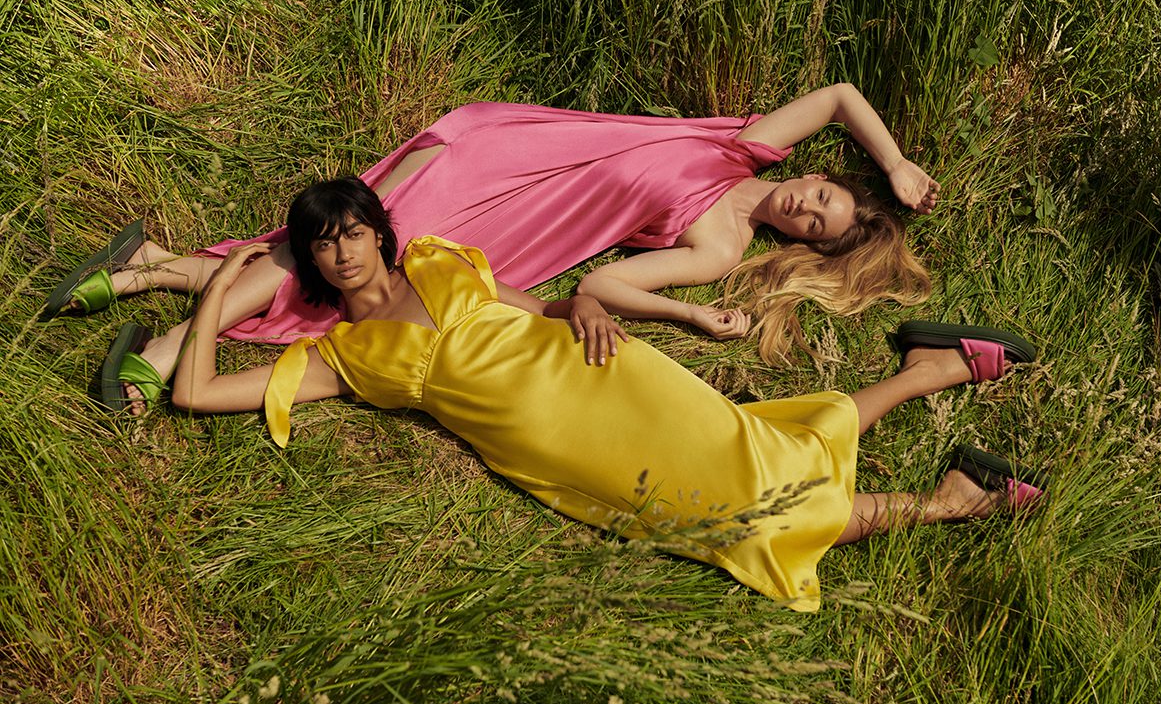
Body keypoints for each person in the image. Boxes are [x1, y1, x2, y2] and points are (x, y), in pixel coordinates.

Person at [166, 178, 1041, 613]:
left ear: (381, 234)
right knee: (743, 517)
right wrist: (218, 291)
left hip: (603, 370)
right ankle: (935, 412)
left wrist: (582, 297)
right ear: (313, 261)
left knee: (748, 450)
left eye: (354, 231)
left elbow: (542, 303)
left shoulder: (439, 259)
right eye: (323, 244)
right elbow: (197, 393)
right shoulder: (345, 355)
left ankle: (942, 464)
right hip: (568, 451)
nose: (343, 251)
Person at [48, 83, 939, 411]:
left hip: (506, 224)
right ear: (826, 178)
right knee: (343, 235)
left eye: (811, 224)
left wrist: (687, 311)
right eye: (822, 194)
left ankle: (152, 295)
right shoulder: (752, 143)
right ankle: (156, 289)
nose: (803, 204)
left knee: (346, 252)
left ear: (796, 243)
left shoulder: (717, 239)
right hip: (504, 148)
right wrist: (894, 164)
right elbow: (839, 95)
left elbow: (610, 282)